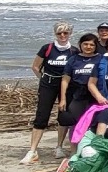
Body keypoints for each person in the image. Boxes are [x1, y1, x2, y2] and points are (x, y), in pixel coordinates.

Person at [21, 22, 76, 163]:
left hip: (66, 86)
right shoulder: (47, 48)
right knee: (42, 115)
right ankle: (32, 150)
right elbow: (35, 66)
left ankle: (59, 147)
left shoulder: (74, 51)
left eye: (66, 33)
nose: (63, 36)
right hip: (48, 84)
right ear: (55, 34)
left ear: (70, 34)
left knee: (64, 115)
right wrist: (44, 79)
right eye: (59, 33)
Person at [59, 33, 100, 130]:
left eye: (92, 45)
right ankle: (74, 144)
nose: (88, 47)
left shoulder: (101, 59)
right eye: (85, 44)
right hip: (77, 95)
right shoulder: (73, 59)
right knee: (74, 122)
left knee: (94, 121)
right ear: (80, 45)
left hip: (95, 94)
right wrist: (63, 99)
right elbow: (65, 80)